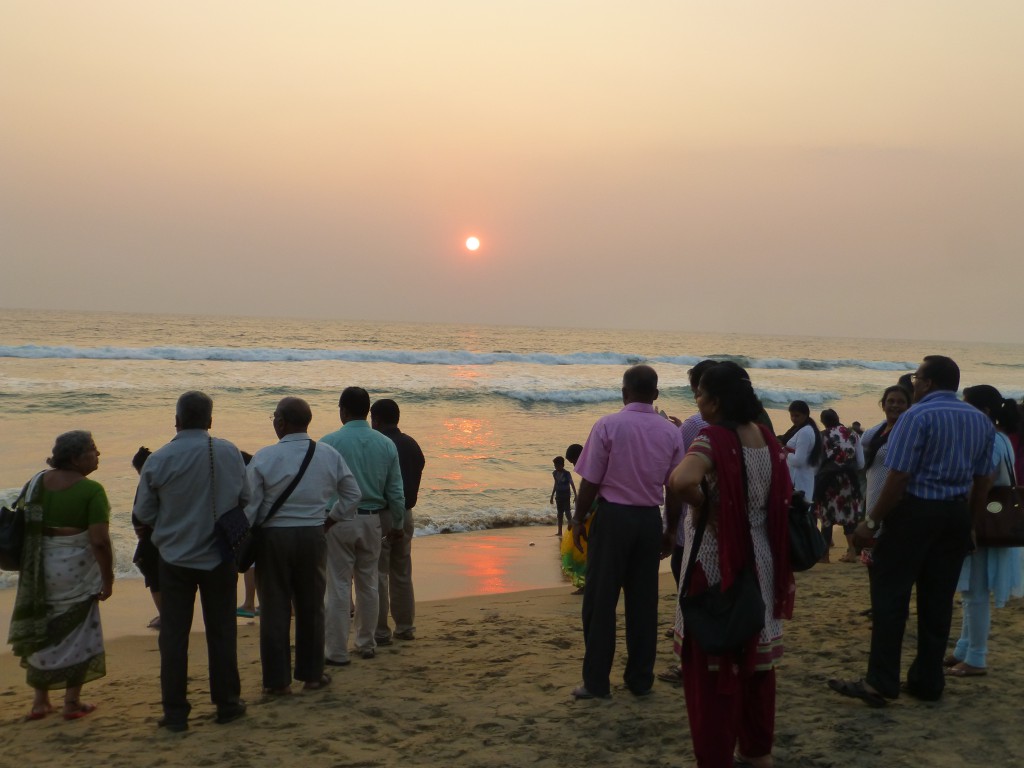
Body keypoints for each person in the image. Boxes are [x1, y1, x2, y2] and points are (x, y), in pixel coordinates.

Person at [829, 356, 994, 707]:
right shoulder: (980, 420)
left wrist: (871, 521)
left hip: (916, 512)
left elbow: (898, 477)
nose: (913, 382)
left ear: (928, 383)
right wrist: (972, 525)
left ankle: (881, 682)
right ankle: (928, 681)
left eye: (917, 377)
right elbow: (983, 481)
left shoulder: (916, 416)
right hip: (955, 514)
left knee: (891, 597)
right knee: (938, 600)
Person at [668, 362, 794, 768]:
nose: (697, 402)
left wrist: (710, 507)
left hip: (716, 560)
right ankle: (757, 753)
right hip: (761, 558)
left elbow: (681, 481)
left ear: (716, 400)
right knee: (757, 667)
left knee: (712, 669)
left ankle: (716, 757)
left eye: (700, 395)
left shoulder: (712, 438)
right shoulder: (764, 437)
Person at [133, 391, 249, 732]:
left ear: (176, 421)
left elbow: (143, 512)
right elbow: (246, 498)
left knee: (173, 637)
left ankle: (175, 713)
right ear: (210, 421)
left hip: (175, 558)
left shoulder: (160, 459)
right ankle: (227, 704)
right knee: (222, 632)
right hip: (219, 556)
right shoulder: (228, 451)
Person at [569, 365, 684, 699]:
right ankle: (640, 679)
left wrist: (577, 519)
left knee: (600, 602)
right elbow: (674, 488)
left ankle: (596, 683)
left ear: (624, 392)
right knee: (643, 604)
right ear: (656, 395)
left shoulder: (608, 425)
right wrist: (671, 528)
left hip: (613, 518)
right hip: (648, 518)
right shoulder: (670, 432)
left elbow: (590, 480)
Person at [246, 397, 362, 695]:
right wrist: (330, 520)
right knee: (311, 607)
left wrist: (245, 535)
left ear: (281, 422)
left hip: (274, 538)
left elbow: (250, 506)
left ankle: (277, 682)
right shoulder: (328, 454)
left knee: (274, 609)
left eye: (274, 417)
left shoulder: (264, 457)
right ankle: (312, 675)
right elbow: (352, 495)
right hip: (313, 534)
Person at [8, 431, 113, 721]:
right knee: (79, 632)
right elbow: (100, 542)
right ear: (76, 457)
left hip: (40, 572)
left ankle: (40, 702)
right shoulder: (92, 491)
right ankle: (71, 702)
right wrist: (108, 578)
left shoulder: (36, 483)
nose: (98, 454)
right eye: (93, 449)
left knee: (41, 628)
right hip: (76, 573)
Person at [321, 387, 405, 664]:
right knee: (368, 582)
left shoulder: (329, 442)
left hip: (339, 519)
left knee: (338, 585)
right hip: (372, 519)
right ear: (367, 411)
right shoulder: (385, 444)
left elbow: (321, 488)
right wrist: (398, 522)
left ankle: (335, 650)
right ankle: (366, 643)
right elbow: (395, 490)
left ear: (342, 410)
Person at [946, 386, 1022, 678]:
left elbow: (983, 484)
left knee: (974, 592)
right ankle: (964, 649)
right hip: (992, 521)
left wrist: (969, 523)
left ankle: (976, 657)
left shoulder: (989, 440)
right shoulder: (1000, 438)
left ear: (985, 412)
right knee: (971, 590)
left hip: (983, 523)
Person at [370, 398, 425, 645]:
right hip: (406, 513)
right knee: (402, 572)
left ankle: (381, 631)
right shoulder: (411, 444)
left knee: (379, 573)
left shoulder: (379, 445)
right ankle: (405, 626)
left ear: (376, 420)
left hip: (382, 514)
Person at [814, 409, 865, 564]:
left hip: (829, 481)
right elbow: (861, 462)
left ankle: (825, 556)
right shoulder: (853, 434)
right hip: (849, 480)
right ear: (838, 418)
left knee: (827, 517)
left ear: (823, 421)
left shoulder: (822, 436)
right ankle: (851, 552)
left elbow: (817, 463)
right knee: (849, 517)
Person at [130, 446, 161, 629]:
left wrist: (146, 526)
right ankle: (167, 614)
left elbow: (143, 511)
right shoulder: (161, 481)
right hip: (158, 536)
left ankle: (165, 616)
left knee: (154, 577)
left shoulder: (149, 483)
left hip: (152, 538)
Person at [558, 443, 588, 594]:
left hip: (592, 518)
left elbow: (594, 496)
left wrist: (578, 519)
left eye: (574, 461)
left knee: (584, 551)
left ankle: (587, 585)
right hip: (592, 516)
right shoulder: (594, 465)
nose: (575, 465)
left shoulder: (591, 468)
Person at [550, 456, 576, 536]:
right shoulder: (554, 473)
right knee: (559, 513)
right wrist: (552, 495)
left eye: (557, 466)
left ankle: (571, 525)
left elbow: (572, 484)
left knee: (567, 511)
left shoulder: (567, 474)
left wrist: (576, 495)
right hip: (558, 495)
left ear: (562, 465)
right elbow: (555, 484)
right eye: (555, 466)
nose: (556, 467)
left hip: (566, 495)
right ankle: (559, 532)